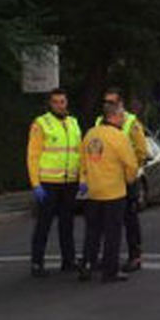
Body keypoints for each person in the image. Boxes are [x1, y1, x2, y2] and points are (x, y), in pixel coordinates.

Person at [78, 101, 139, 283]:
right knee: (112, 233)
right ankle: (110, 271)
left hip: (93, 191)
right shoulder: (118, 137)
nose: (123, 119)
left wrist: (85, 182)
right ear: (113, 116)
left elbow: (82, 161)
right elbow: (131, 165)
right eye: (121, 115)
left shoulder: (90, 134)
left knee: (92, 232)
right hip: (113, 192)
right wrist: (128, 181)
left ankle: (87, 265)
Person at [26, 87, 81, 278]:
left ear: (67, 103)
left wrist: (82, 177)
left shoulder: (73, 123)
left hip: (70, 181)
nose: (60, 105)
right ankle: (37, 263)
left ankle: (69, 260)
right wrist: (35, 184)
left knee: (67, 224)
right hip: (48, 182)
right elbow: (33, 156)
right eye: (56, 102)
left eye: (63, 101)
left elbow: (78, 153)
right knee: (44, 224)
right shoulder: (41, 124)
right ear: (50, 104)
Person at [99, 87, 149, 272]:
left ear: (120, 103)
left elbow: (141, 151)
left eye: (111, 102)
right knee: (108, 221)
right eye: (105, 102)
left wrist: (130, 168)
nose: (107, 105)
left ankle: (135, 256)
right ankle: (109, 257)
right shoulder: (100, 120)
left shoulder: (131, 122)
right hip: (108, 179)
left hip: (127, 179)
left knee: (130, 219)